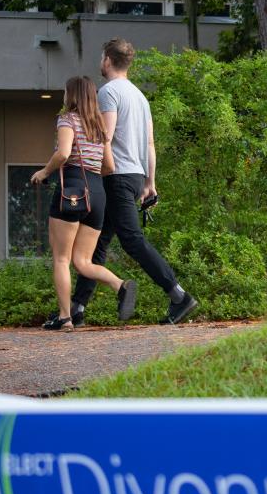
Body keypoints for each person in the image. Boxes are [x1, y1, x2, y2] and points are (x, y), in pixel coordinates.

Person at [68, 38, 198, 326]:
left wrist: (99, 172)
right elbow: (150, 143)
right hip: (136, 175)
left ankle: (179, 295)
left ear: (107, 60)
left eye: (101, 57)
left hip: (116, 175)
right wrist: (150, 182)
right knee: (98, 242)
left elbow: (106, 137)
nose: (100, 62)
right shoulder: (140, 96)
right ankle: (77, 307)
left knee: (132, 239)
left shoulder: (108, 92)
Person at [31, 76, 137, 332]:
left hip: (73, 191)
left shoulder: (67, 119)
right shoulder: (99, 127)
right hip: (98, 194)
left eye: (66, 92)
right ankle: (120, 285)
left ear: (73, 95)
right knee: (83, 261)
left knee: (61, 258)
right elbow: (109, 166)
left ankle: (65, 317)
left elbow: (64, 153)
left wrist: (43, 173)